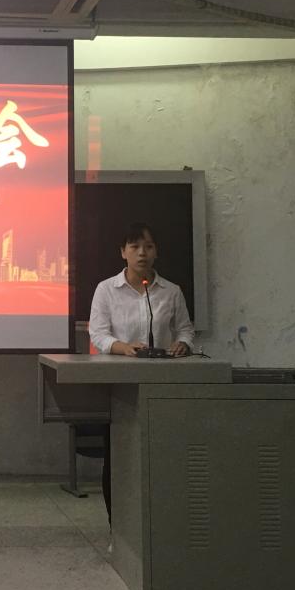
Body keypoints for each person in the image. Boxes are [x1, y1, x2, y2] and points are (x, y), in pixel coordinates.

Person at [88, 222, 196, 531]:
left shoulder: (171, 291)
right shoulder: (106, 289)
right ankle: (118, 528)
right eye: (134, 247)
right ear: (122, 252)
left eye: (148, 247)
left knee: (163, 456)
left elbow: (185, 329)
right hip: (119, 384)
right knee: (118, 458)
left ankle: (163, 526)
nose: (142, 253)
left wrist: (183, 344)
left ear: (156, 251)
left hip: (163, 386)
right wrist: (123, 348)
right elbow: (98, 333)